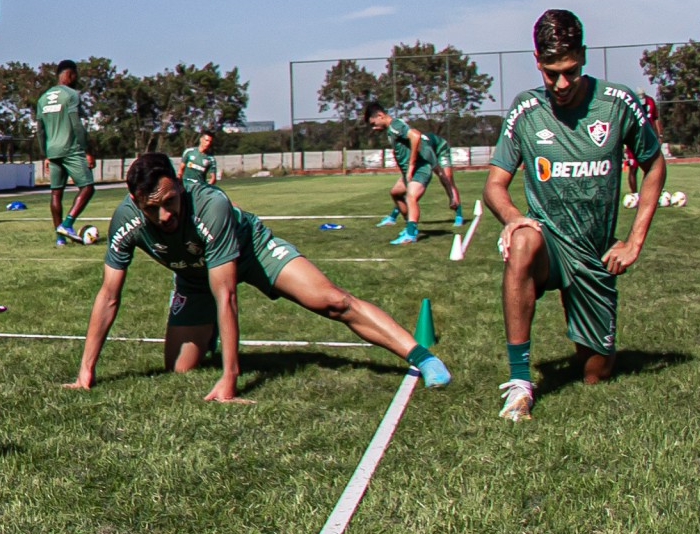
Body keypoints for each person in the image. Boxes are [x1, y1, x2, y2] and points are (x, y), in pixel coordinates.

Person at [64, 153, 450, 400]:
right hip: (193, 277)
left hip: (252, 252)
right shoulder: (124, 222)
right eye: (154, 209)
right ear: (135, 202)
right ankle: (209, 333)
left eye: (171, 202)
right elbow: (109, 296)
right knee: (179, 369)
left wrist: (231, 379)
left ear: (179, 185)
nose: (166, 216)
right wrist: (86, 372)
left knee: (332, 301)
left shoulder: (210, 206)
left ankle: (422, 356)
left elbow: (227, 294)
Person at [485, 9, 664, 422]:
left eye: (570, 71)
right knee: (523, 241)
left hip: (596, 254)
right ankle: (519, 382)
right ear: (537, 61)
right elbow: (495, 186)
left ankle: (587, 335)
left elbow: (653, 164)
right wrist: (513, 218)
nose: (561, 83)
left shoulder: (617, 103)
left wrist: (634, 241)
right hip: (549, 244)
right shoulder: (525, 110)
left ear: (583, 55)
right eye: (551, 73)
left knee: (596, 374)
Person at [363, 102, 464, 245]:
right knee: (396, 193)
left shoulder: (395, 125)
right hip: (408, 173)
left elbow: (416, 135)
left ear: (380, 115)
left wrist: (411, 166)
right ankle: (408, 226)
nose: (373, 127)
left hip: (419, 170)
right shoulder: (392, 129)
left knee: (411, 197)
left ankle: (411, 234)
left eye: (374, 123)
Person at [35, 61, 95, 245]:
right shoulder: (71, 95)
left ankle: (60, 239)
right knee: (87, 188)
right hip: (71, 149)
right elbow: (76, 124)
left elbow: (40, 131)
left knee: (56, 193)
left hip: (52, 151)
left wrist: (44, 154)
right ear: (70, 74)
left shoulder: (43, 98)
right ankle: (67, 223)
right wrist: (87, 150)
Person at [624, 92, 664, 200]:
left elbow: (655, 119)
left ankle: (649, 192)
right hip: (633, 140)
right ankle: (635, 194)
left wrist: (659, 135)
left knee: (651, 167)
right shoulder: (630, 103)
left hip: (648, 140)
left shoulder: (650, 101)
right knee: (633, 168)